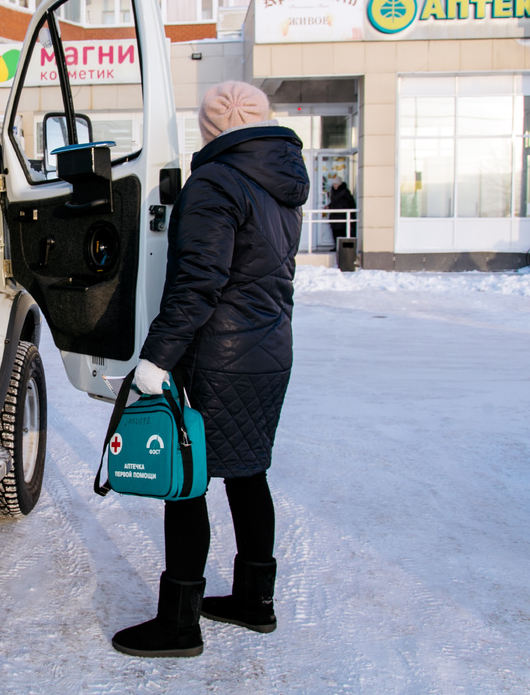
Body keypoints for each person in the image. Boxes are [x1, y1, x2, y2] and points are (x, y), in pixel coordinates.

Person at [111, 81, 308, 658]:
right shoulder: (283, 185)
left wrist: (155, 360)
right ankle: (255, 601)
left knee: (186, 482)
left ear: (209, 128)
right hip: (269, 353)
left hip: (217, 358)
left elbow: (198, 284)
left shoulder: (216, 181)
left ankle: (178, 625)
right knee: (249, 474)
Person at [326, 176, 356, 245]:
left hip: (342, 215)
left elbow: (350, 203)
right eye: (334, 184)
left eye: (336, 184)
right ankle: (336, 247)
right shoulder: (334, 192)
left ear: (340, 184)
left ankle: (342, 247)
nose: (335, 186)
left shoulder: (345, 192)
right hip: (334, 215)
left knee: (342, 232)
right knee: (335, 232)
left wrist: (351, 214)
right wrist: (329, 206)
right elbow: (334, 202)